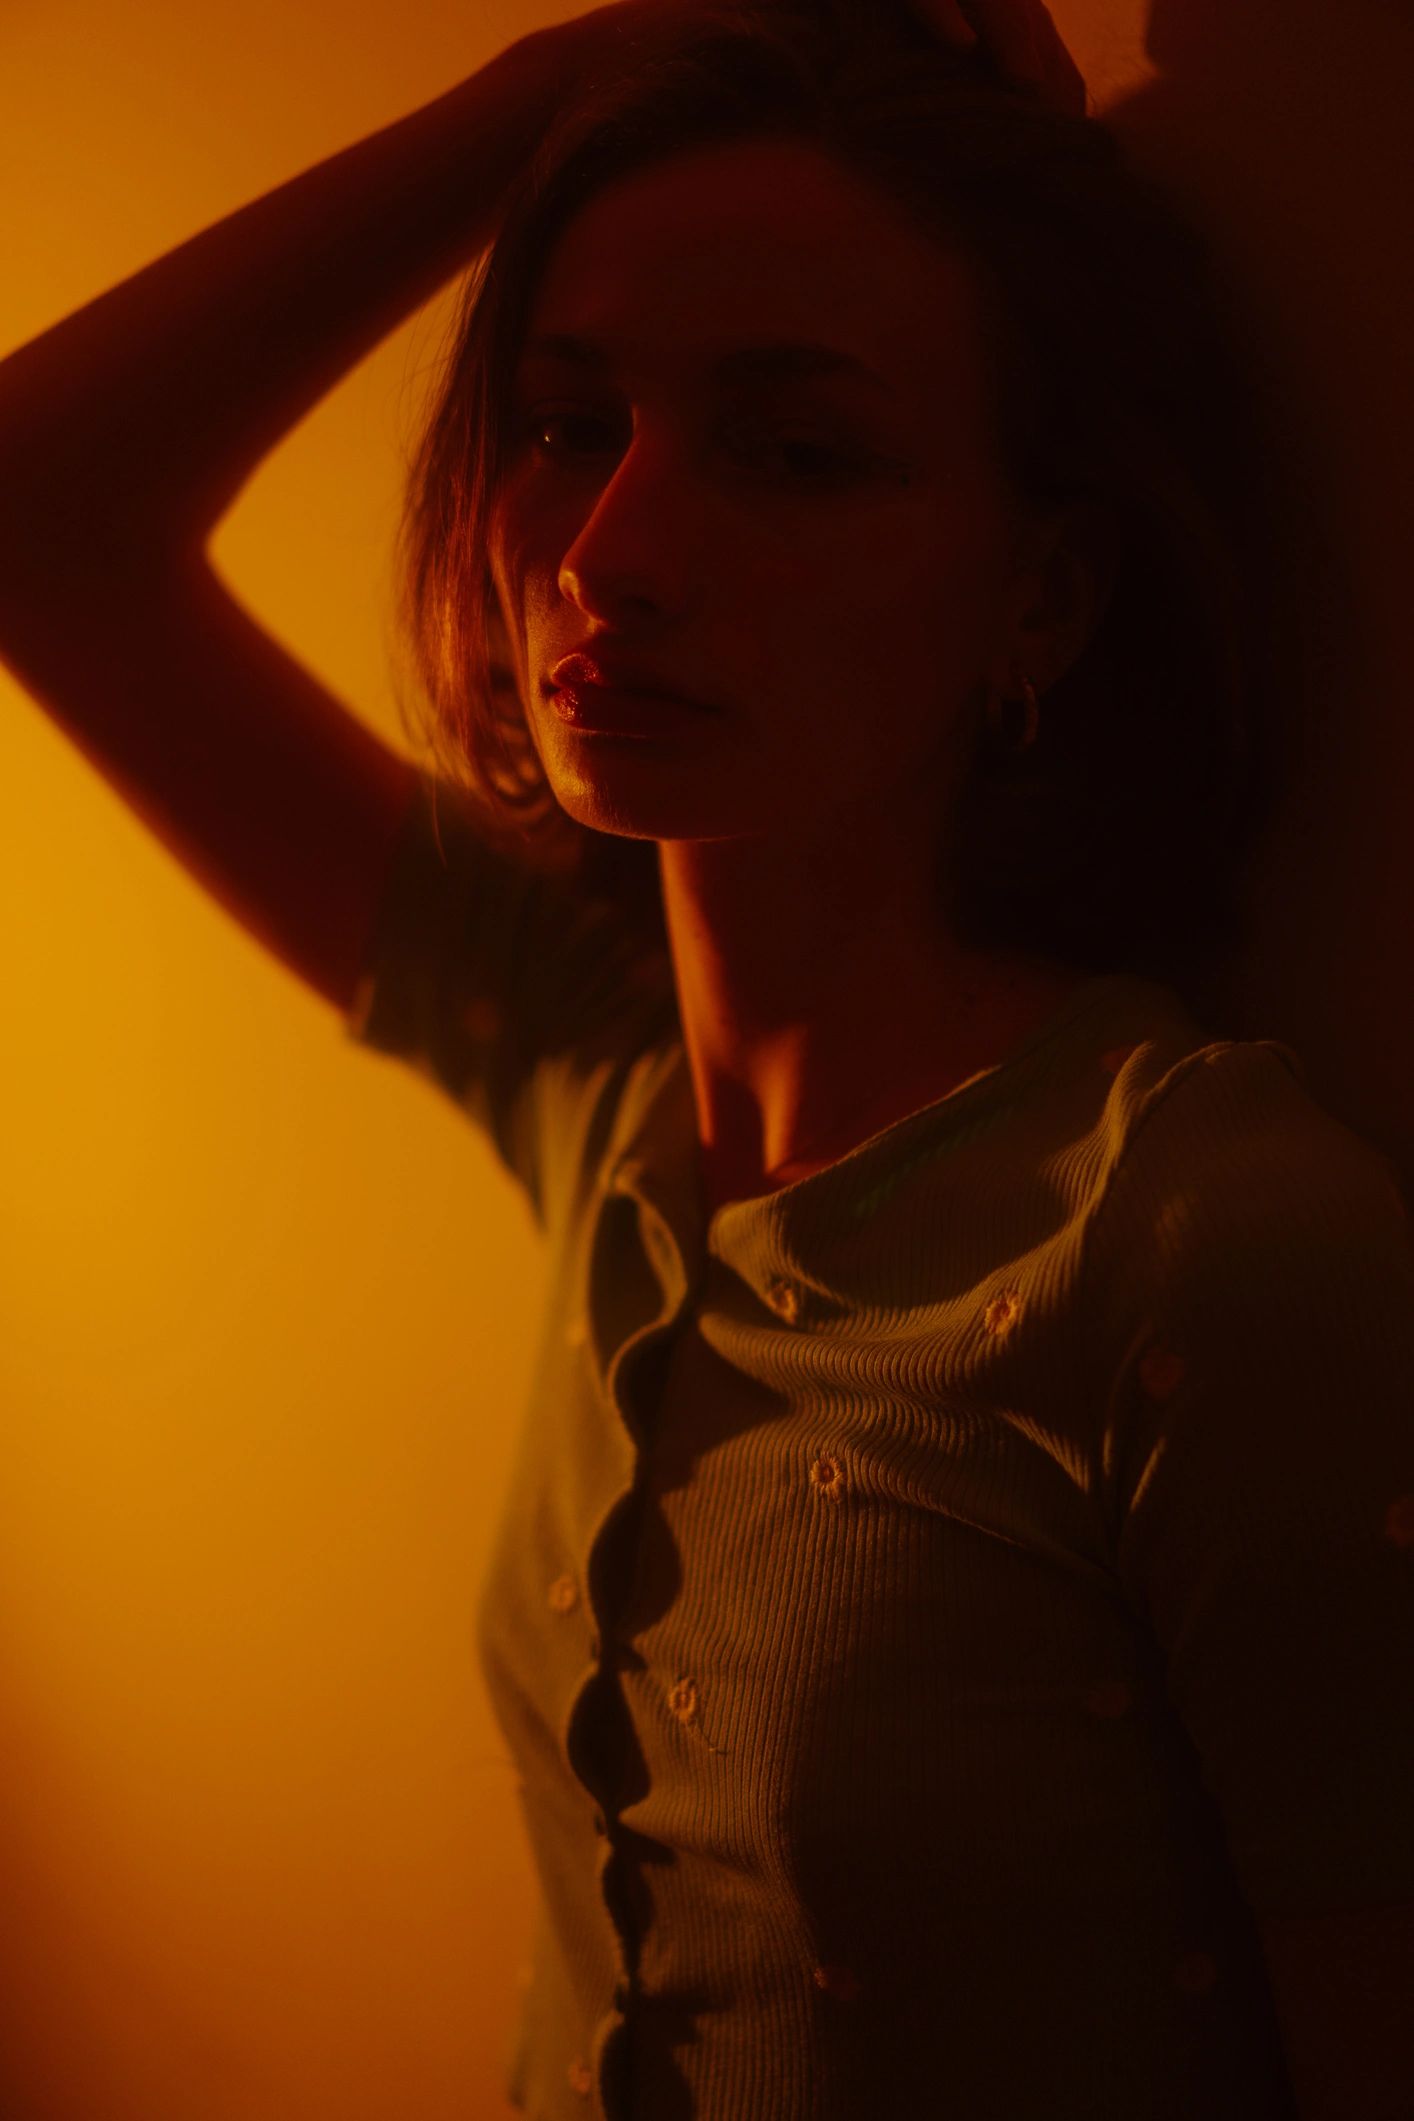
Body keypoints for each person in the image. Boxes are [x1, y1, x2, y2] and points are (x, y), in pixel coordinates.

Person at [2, 3, 1412, 2116]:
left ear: (1040, 590)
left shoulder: (1196, 1247)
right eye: (567, 423)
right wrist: (563, 85)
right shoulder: (600, 1078)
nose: (610, 550)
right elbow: (38, 517)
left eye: (794, 448)